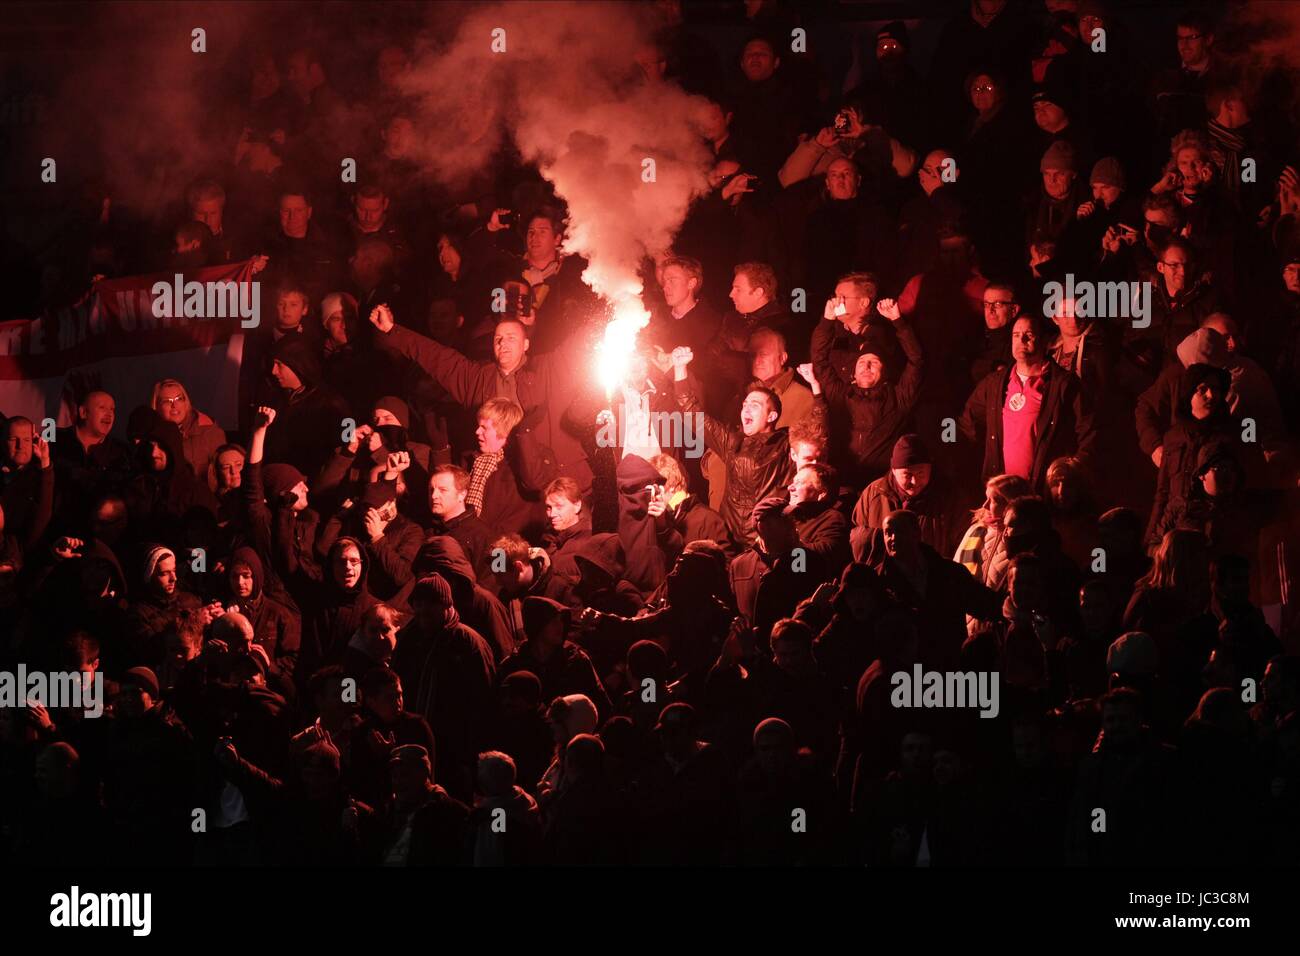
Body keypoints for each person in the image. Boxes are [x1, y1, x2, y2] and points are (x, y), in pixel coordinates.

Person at [959, 314, 1096, 493]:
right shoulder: (995, 384)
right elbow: (967, 423)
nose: (1021, 340)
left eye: (1029, 335)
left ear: (1044, 340)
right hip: (1002, 493)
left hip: (1043, 494)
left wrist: (1069, 472)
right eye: (1016, 335)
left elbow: (1090, 433)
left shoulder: (1064, 385)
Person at [671, 345, 792, 547]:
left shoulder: (785, 445)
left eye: (755, 405)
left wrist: (817, 393)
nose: (746, 408)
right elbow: (692, 413)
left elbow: (817, 437)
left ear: (771, 416)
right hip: (729, 537)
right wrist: (679, 369)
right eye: (745, 404)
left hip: (764, 541)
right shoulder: (733, 441)